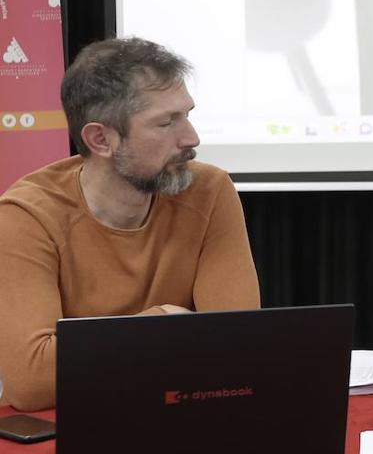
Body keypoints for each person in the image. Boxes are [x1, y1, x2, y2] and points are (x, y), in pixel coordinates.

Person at [0, 37, 261, 411]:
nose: (191, 138)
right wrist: (165, 322)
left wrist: (103, 352)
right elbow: (32, 383)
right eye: (167, 122)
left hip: (176, 417)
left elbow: (238, 349)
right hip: (64, 438)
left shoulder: (210, 190)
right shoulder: (26, 216)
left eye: (187, 114)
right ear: (101, 139)